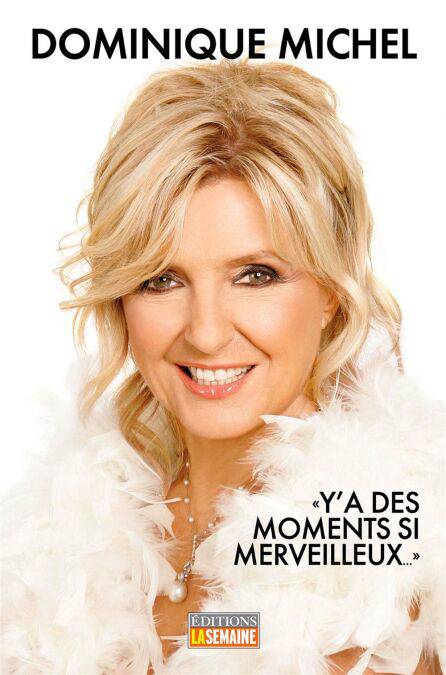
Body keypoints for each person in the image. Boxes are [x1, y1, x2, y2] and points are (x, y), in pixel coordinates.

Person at [1, 57, 444, 675]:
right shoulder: (60, 529)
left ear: (330, 292)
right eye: (161, 280)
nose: (206, 333)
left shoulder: (401, 553)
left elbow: (238, 635)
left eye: (255, 275)